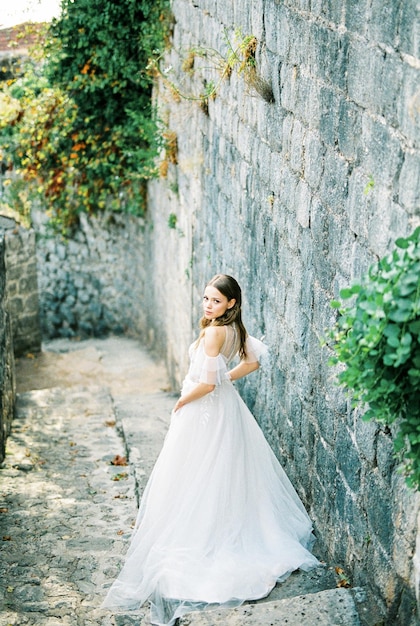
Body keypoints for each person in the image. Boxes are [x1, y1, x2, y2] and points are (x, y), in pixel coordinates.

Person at [102, 274, 321, 625]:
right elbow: (250, 362)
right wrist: (224, 381)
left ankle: (203, 534)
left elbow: (205, 383)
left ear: (230, 303)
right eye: (205, 298)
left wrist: (182, 401)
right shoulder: (237, 329)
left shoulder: (214, 332)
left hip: (203, 409)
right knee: (221, 468)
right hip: (226, 408)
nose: (207, 305)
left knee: (196, 470)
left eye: (215, 301)